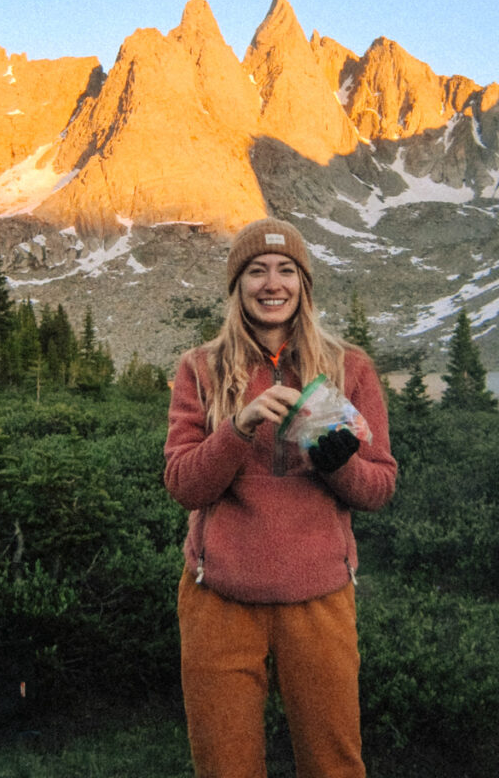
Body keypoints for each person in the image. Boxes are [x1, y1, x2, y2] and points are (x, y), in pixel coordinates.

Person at [164, 217, 397, 778]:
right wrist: (236, 430)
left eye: (287, 270)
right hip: (218, 598)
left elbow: (380, 487)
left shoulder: (350, 368)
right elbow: (183, 484)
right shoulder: (199, 368)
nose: (273, 283)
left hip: (319, 598)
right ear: (237, 286)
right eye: (256, 271)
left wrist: (334, 460)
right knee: (224, 767)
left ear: (304, 284)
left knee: (333, 764)